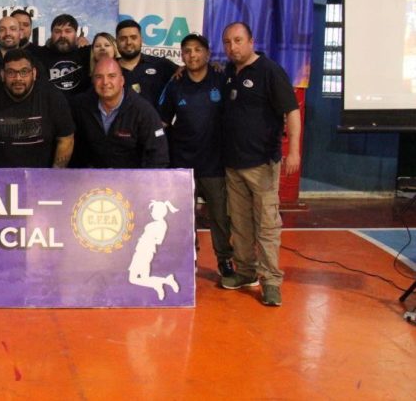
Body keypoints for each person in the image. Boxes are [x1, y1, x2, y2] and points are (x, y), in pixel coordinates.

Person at [218, 22, 301, 307]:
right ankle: (245, 272)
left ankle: (271, 281)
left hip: (262, 164)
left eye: (238, 40)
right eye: (227, 42)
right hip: (233, 164)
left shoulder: (270, 71)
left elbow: (292, 112)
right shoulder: (228, 73)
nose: (232, 47)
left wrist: (294, 152)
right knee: (240, 224)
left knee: (266, 225)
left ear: (251, 41)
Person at [158, 34, 234, 277]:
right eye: (187, 51)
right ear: (181, 56)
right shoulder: (175, 83)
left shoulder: (221, 78)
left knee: (219, 217)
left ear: (208, 54)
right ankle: (189, 259)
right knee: (185, 217)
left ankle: (225, 260)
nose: (192, 55)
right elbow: (162, 121)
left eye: (198, 50)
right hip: (183, 164)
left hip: (214, 163)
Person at [0, 48, 74, 168]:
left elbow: (66, 139)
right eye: (11, 72)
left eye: (24, 72)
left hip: (40, 174)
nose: (18, 78)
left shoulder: (52, 97)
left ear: (34, 74)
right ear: (2, 75)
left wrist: (54, 174)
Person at [71, 57, 169, 168]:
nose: (105, 82)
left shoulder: (143, 111)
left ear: (122, 81)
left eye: (111, 76)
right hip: (92, 176)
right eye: (99, 77)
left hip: (131, 177)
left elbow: (158, 156)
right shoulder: (80, 106)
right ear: (93, 81)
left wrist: (142, 178)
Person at [116, 19, 178, 106]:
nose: (128, 42)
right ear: (116, 41)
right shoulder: (108, 69)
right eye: (123, 39)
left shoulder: (161, 64)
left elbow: (188, 74)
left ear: (141, 39)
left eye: (133, 37)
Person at [29, 14, 92, 99]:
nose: (62, 35)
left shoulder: (86, 53)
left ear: (76, 34)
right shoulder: (38, 55)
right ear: (51, 34)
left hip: (81, 106)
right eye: (57, 31)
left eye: (68, 31)